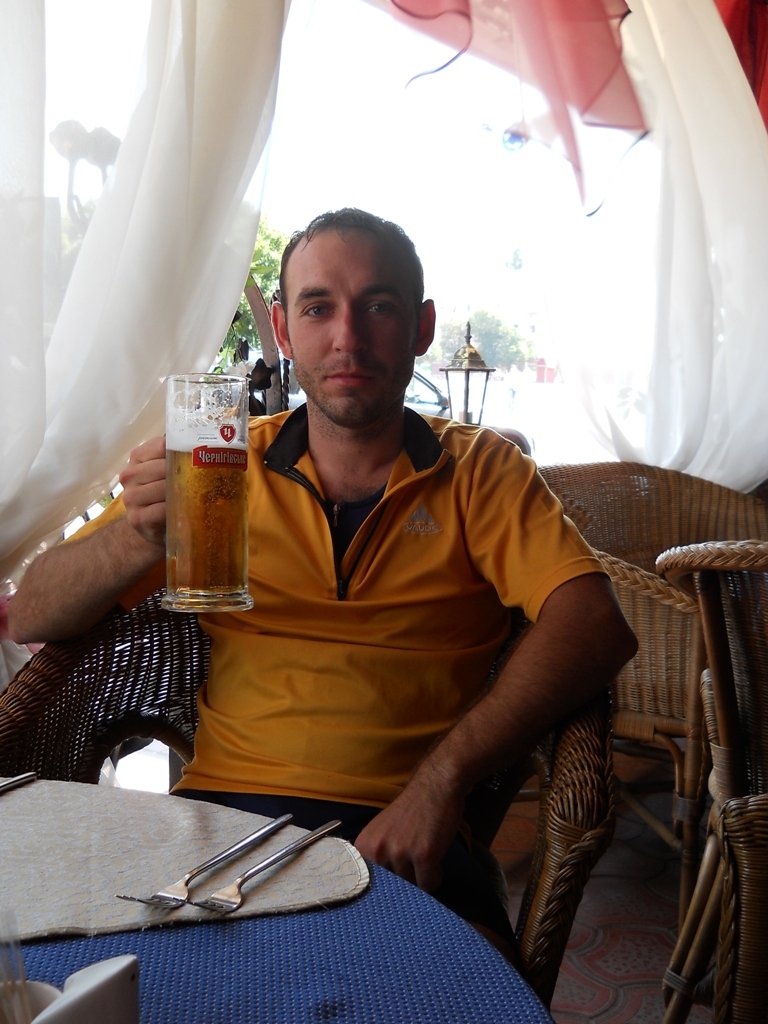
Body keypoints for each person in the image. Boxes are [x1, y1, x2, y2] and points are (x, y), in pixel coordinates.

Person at [9, 209, 637, 962]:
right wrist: (137, 536)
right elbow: (32, 611)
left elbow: (594, 625)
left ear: (421, 328)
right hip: (220, 822)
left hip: (400, 826)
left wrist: (443, 782)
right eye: (317, 308)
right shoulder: (220, 466)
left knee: (461, 991)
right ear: (282, 327)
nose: (347, 338)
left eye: (379, 306)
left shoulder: (480, 472)